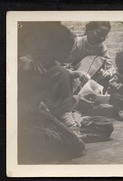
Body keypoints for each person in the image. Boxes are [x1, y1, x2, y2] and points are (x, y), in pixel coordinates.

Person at [18, 22, 88, 163]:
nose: (70, 52)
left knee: (82, 140)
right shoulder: (27, 65)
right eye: (68, 49)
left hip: (46, 112)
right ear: (54, 48)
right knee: (57, 142)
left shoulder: (53, 65)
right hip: (25, 118)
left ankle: (66, 127)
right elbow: (26, 108)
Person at [66, 21, 114, 93]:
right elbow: (64, 67)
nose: (101, 38)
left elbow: (110, 67)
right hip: (72, 82)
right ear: (89, 30)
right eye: (98, 33)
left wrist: (107, 73)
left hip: (91, 84)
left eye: (105, 35)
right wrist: (77, 73)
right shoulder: (78, 43)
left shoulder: (102, 47)